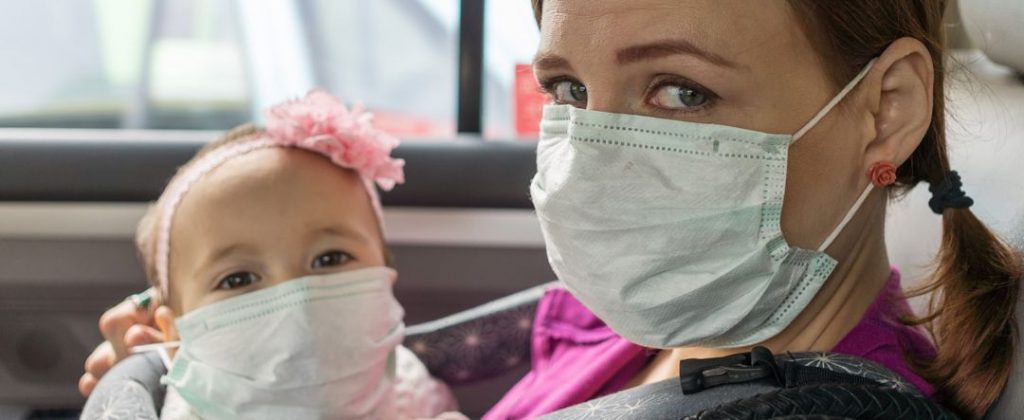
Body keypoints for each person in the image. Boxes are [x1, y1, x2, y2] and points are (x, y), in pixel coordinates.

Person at [85, 1, 1023, 418]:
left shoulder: (823, 414)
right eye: (569, 90)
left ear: (884, 108)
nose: (593, 160)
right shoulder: (630, 309)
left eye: (680, 92)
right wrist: (237, 374)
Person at [120, 90, 459, 419]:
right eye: (237, 279)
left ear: (386, 281)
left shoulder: (410, 391)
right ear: (175, 337)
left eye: (330, 259)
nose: (298, 301)